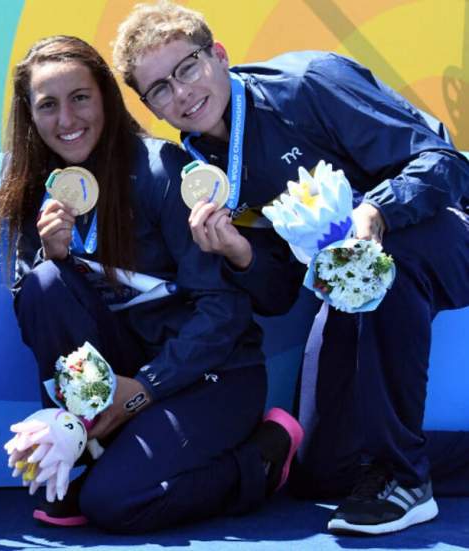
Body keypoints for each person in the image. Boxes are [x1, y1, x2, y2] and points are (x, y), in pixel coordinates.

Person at [113, 0, 469, 536]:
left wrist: (376, 212)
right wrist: (241, 255)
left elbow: (444, 163)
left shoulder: (308, 84)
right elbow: (281, 294)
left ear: (218, 55)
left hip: (444, 234)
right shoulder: (201, 173)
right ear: (149, 106)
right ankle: (406, 464)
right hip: (345, 291)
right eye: (160, 88)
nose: (181, 93)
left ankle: (404, 478)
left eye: (186, 68)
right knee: (323, 471)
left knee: (373, 265)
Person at [0, 35, 302, 534]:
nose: (66, 120)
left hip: (209, 377)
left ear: (107, 100)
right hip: (125, 377)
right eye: (48, 105)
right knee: (45, 284)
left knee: (114, 503)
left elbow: (224, 311)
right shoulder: (37, 190)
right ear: (30, 115)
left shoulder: (163, 172)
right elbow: (43, 315)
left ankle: (260, 459)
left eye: (80, 98)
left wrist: (144, 389)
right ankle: (82, 445)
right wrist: (56, 258)